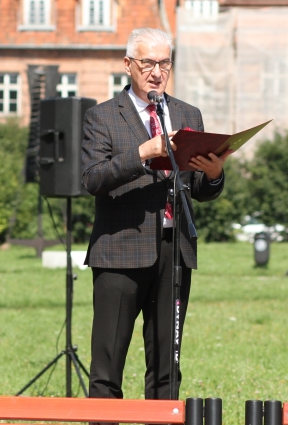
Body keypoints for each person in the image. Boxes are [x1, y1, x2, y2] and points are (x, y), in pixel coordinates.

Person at [82, 27, 229, 401]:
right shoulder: (102, 117)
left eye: (164, 63)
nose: (157, 71)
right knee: (108, 364)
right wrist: (141, 154)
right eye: (148, 62)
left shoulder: (185, 113)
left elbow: (196, 186)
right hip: (120, 253)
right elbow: (92, 178)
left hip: (173, 251)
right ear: (128, 65)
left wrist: (213, 175)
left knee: (167, 366)